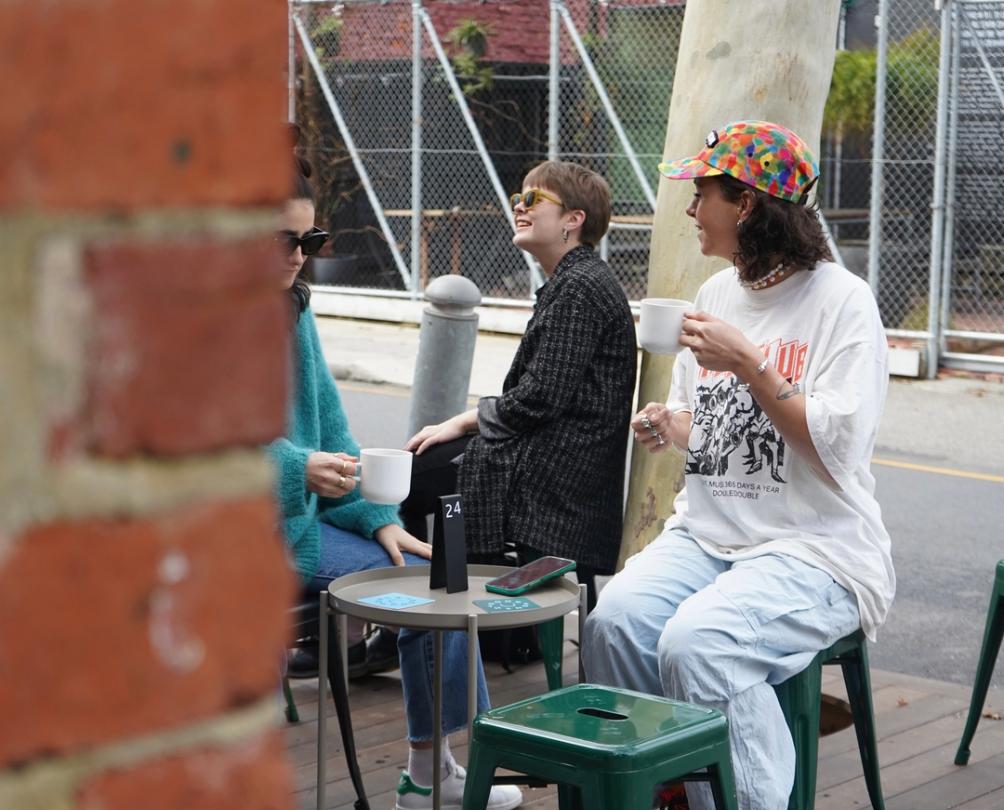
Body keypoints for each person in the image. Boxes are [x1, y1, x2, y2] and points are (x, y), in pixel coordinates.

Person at [583, 121, 895, 810]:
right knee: (614, 620)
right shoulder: (717, 296)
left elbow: (837, 447)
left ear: (747, 203)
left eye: (703, 194)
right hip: (713, 535)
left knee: (699, 645)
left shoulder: (842, 303)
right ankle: (672, 788)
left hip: (816, 549)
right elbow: (717, 427)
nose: (691, 211)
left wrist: (752, 364)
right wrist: (670, 424)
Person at [269, 166, 522, 810]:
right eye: (280, 240)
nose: (298, 256)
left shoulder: (293, 310)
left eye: (310, 240)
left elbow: (336, 433)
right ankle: (439, 769)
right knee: (424, 590)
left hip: (296, 525)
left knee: (439, 582)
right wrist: (296, 469)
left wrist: (378, 518)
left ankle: (429, 769)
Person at [404, 161, 636, 611]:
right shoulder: (574, 280)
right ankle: (446, 612)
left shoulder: (580, 287)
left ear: (574, 219)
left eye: (532, 199)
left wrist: (466, 420)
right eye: (517, 199)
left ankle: (425, 623)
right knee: (427, 474)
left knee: (408, 481)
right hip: (555, 464)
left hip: (553, 475)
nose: (519, 208)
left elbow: (539, 398)